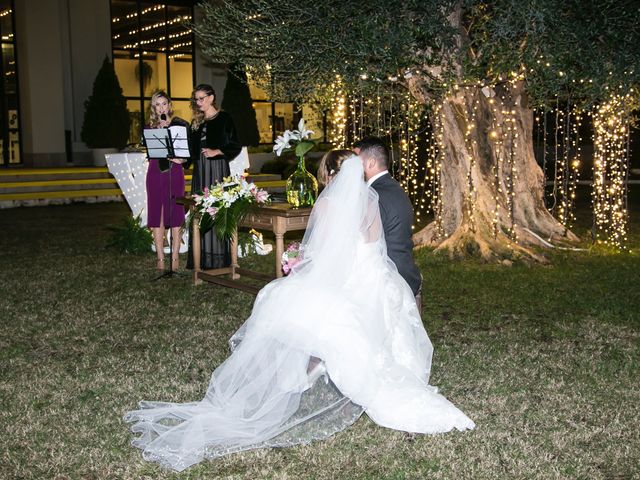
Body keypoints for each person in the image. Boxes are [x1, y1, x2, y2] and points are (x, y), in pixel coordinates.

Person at [124, 153, 475, 472]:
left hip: (352, 276)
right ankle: (316, 367)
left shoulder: (327, 207)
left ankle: (300, 371)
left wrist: (299, 261)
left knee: (286, 304)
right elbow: (373, 245)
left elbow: (327, 254)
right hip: (379, 275)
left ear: (328, 175)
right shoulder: (372, 201)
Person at [356, 137, 423, 307]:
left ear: (370, 163)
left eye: (355, 161)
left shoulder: (373, 195)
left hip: (391, 276)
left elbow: (364, 242)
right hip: (407, 269)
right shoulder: (394, 187)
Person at [186, 84, 242, 270]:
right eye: (196, 99)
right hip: (200, 172)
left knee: (217, 212)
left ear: (211, 98)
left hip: (217, 170)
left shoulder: (225, 118)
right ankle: (199, 259)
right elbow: (192, 152)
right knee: (200, 213)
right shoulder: (197, 122)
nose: (198, 102)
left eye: (201, 98)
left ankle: (219, 259)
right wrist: (181, 160)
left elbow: (235, 145)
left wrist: (217, 151)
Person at [145, 91, 190, 271]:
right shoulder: (149, 128)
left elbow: (186, 154)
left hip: (175, 173)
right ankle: (161, 259)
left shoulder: (180, 125)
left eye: (164, 103)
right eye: (157, 104)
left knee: (177, 214)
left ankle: (176, 257)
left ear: (169, 106)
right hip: (155, 173)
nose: (161, 107)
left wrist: (182, 159)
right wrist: (161, 130)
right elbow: (151, 153)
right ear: (154, 108)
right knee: (158, 214)